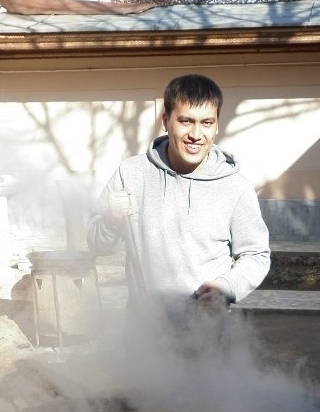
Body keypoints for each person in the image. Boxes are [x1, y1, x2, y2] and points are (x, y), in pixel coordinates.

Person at [87, 74, 270, 347]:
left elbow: (256, 255)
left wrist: (226, 287)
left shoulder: (235, 187)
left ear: (217, 125)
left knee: (208, 391)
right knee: (143, 392)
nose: (196, 135)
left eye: (206, 123)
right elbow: (97, 244)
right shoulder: (131, 173)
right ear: (166, 121)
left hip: (208, 335)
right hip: (143, 337)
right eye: (186, 121)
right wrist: (111, 219)